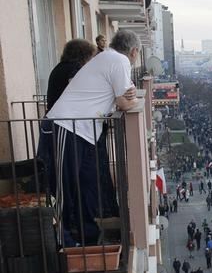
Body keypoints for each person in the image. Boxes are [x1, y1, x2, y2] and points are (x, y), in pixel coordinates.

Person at [42, 30, 139, 246]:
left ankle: (88, 237)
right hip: (66, 127)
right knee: (64, 189)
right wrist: (133, 102)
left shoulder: (108, 58)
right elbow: (125, 102)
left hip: (82, 132)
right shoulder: (119, 60)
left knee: (85, 187)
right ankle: (63, 242)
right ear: (134, 52)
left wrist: (124, 95)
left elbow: (120, 94)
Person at [46, 39, 95, 111]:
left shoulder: (60, 66)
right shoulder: (74, 68)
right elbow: (81, 91)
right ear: (84, 55)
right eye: (90, 56)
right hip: (64, 117)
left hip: (55, 115)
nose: (91, 59)